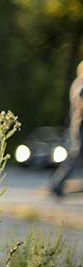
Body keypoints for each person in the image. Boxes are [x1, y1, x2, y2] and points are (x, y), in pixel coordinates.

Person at [50, 61, 83, 197]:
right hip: (82, 125)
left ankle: (57, 184)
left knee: (76, 156)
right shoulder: (81, 85)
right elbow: (81, 105)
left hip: (77, 125)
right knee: (75, 157)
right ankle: (57, 185)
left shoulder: (77, 84)